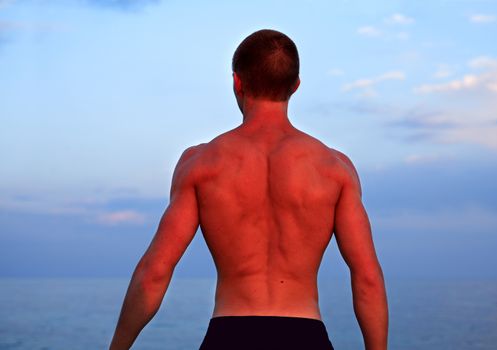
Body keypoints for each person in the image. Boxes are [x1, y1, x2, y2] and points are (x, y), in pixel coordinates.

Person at [109, 29, 388, 350]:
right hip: (305, 336)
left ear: (237, 82)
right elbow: (367, 279)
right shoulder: (334, 168)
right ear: (295, 86)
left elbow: (154, 273)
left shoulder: (201, 163)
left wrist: (117, 347)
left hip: (229, 336)